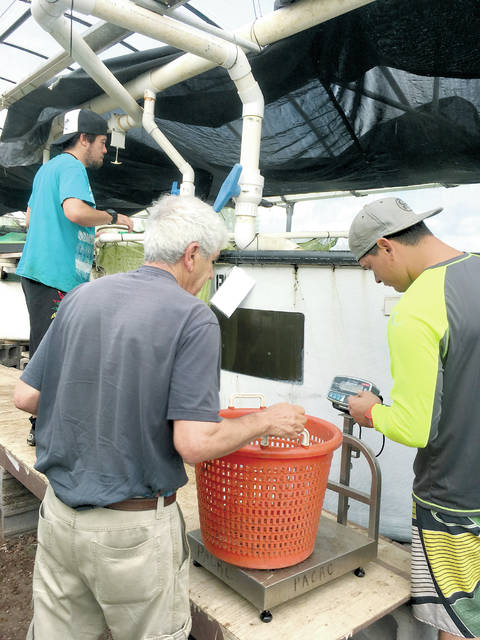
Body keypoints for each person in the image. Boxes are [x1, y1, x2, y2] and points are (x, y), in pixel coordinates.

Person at [13, 194, 307, 640]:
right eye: (211, 261)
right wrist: (265, 420)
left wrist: (97, 407)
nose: (209, 274)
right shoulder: (193, 318)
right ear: (192, 254)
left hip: (59, 516)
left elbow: (26, 396)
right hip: (131, 533)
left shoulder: (81, 296)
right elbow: (194, 443)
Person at [347, 197, 480, 640]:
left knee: (459, 622)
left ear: (386, 245)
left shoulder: (415, 309)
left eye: (370, 267)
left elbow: (413, 426)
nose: (377, 280)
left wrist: (370, 411)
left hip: (454, 500)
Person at [16, 108, 133, 445]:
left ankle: (47, 423)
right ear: (84, 139)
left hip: (44, 273)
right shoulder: (72, 167)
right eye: (102, 142)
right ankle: (42, 426)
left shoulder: (47, 170)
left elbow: (30, 218)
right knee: (53, 352)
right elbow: (75, 211)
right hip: (54, 274)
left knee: (50, 348)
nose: (105, 149)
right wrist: (113, 217)